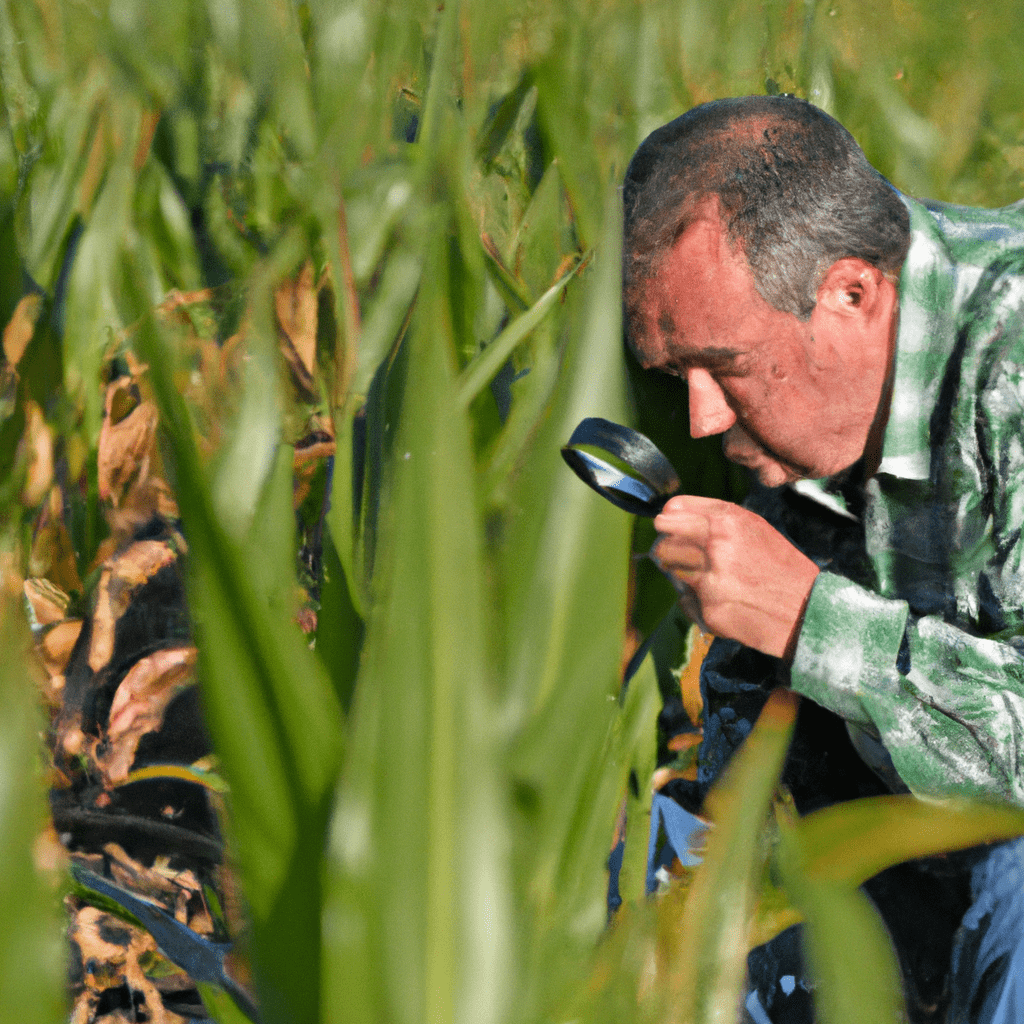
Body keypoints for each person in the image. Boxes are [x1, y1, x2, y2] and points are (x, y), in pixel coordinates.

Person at [622, 94, 1024, 1024]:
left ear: (853, 290)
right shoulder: (821, 405)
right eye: (673, 374)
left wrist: (809, 618)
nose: (702, 421)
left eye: (728, 367)